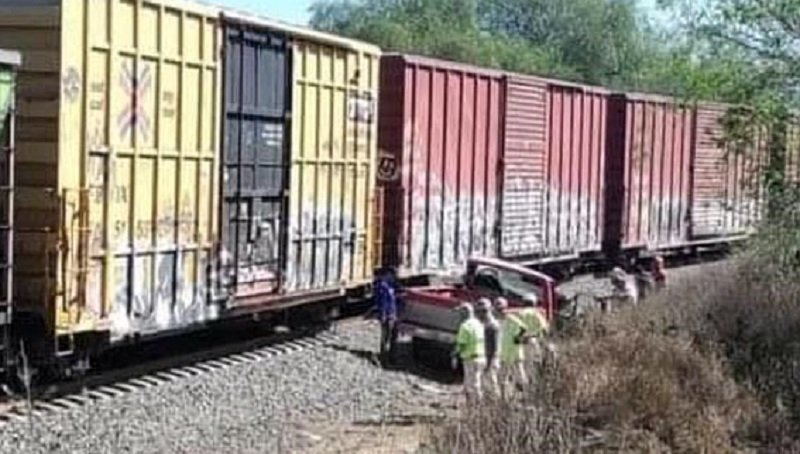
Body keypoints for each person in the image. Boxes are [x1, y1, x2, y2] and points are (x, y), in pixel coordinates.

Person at [494, 297, 528, 398]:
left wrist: (518, 337)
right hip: (504, 353)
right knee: (503, 377)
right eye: (498, 308)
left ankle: (526, 395)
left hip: (514, 352)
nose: (500, 310)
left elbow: (524, 328)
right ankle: (504, 398)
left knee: (520, 376)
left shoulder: (511, 318)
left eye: (501, 308)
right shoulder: (497, 321)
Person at [454, 302, 486, 404]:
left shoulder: (465, 326)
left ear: (464, 314)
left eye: (460, 312)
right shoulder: (479, 323)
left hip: (470, 359)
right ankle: (478, 403)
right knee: (477, 381)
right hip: (481, 357)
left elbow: (462, 344)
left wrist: (455, 354)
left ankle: (473, 405)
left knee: (470, 384)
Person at [373, 267, 398, 366]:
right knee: (386, 337)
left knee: (392, 337)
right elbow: (382, 303)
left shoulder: (389, 285)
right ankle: (384, 358)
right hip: (387, 315)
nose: (393, 278)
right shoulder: (382, 286)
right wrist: (383, 315)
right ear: (387, 274)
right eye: (392, 275)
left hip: (392, 314)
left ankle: (391, 357)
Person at [476, 298, 500, 399]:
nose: (481, 313)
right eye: (479, 311)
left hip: (491, 358)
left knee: (491, 381)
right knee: (483, 382)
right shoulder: (481, 323)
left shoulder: (492, 325)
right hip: (483, 356)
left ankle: (496, 403)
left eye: (484, 311)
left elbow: (494, 346)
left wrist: (489, 363)